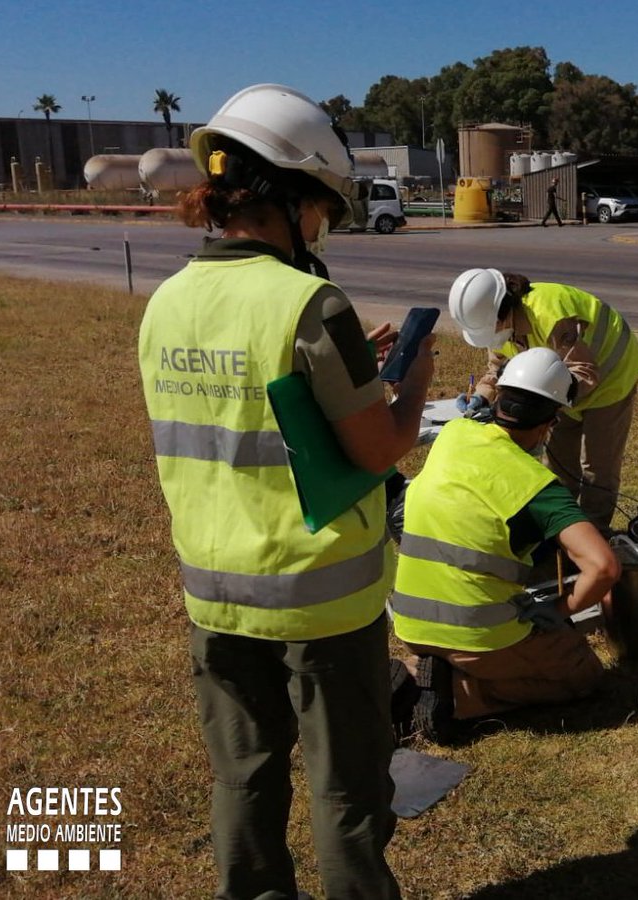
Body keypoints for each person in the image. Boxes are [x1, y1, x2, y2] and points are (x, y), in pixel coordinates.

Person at [137, 83, 434, 900]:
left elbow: (241, 412)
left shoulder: (165, 303)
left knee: (243, 776)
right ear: (294, 202)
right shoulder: (312, 301)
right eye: (325, 210)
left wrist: (347, 371)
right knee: (347, 788)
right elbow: (377, 449)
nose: (327, 227)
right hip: (320, 602)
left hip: (215, 593)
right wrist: (410, 386)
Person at [389, 348, 621, 742]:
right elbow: (604, 567)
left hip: (410, 620)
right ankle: (455, 696)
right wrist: (560, 609)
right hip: (475, 635)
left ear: (501, 398)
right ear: (550, 423)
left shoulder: (455, 434)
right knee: (581, 674)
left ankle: (431, 668)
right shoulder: (536, 485)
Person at [448, 269, 638, 532]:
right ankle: (560, 530)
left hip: (611, 377)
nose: (492, 336)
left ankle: (594, 536)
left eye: (491, 328)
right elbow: (497, 367)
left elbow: (583, 371)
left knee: (598, 468)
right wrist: (482, 396)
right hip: (559, 384)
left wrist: (543, 399)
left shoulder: (551, 314)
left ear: (504, 309)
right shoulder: (497, 325)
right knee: (557, 464)